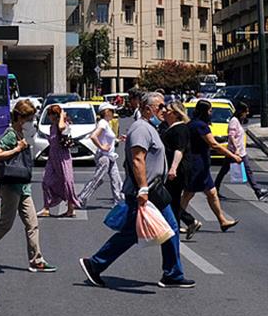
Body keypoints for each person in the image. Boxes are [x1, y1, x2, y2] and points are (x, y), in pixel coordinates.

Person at [78, 91, 196, 290]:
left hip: (153, 190)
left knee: (156, 230)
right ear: (147, 109)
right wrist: (142, 189)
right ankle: (96, 264)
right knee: (150, 230)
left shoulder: (148, 127)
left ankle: (172, 273)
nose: (164, 110)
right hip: (147, 191)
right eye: (160, 107)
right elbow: (137, 159)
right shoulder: (141, 128)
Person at [0, 99, 56, 272]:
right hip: (11, 186)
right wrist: (17, 148)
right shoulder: (11, 134)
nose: (32, 122)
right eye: (30, 119)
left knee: (33, 223)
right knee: (5, 224)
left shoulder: (23, 134)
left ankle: (36, 259)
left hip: (23, 185)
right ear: (20, 118)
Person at [181, 100, 242, 231]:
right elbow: (214, 144)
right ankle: (173, 220)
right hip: (197, 166)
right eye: (209, 111)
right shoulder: (201, 126)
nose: (211, 113)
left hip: (200, 166)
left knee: (211, 193)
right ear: (204, 112)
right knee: (188, 194)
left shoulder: (192, 124)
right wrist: (233, 156)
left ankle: (222, 221)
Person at [159, 101, 203, 239]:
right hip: (172, 169)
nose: (164, 111)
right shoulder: (170, 127)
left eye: (168, 110)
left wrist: (173, 168)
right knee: (171, 200)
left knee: (170, 199)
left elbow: (180, 149)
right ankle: (182, 225)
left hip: (178, 170)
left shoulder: (181, 129)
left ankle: (178, 228)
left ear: (176, 114)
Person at [213, 102, 268, 200]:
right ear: (241, 112)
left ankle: (215, 189)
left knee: (226, 171)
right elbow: (231, 136)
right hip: (235, 152)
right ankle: (258, 191)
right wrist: (236, 150)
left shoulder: (238, 121)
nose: (247, 113)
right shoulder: (234, 121)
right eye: (245, 111)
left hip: (239, 151)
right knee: (243, 171)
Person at [39, 104, 80, 218]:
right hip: (53, 157)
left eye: (51, 115)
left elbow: (61, 128)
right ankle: (46, 208)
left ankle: (70, 208)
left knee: (67, 182)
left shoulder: (63, 124)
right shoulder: (51, 127)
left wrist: (62, 115)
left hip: (63, 157)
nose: (49, 117)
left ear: (56, 115)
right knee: (46, 181)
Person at [78, 103, 122, 208]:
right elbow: (94, 136)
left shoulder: (107, 123)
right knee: (97, 179)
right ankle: (81, 198)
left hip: (110, 156)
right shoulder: (103, 123)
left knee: (116, 179)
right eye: (112, 111)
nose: (114, 114)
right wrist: (102, 147)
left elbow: (106, 138)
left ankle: (119, 201)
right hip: (104, 157)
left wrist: (118, 139)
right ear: (106, 112)